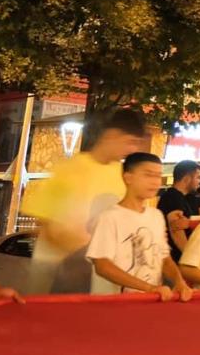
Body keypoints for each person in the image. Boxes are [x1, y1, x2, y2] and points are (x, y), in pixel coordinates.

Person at [22, 107, 147, 294]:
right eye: (130, 142)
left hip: (99, 278)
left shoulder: (122, 177)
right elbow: (44, 223)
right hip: (57, 276)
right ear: (111, 135)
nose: (133, 149)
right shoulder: (70, 170)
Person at [86, 153, 193, 301]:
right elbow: (102, 266)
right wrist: (149, 288)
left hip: (150, 302)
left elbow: (164, 258)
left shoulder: (156, 216)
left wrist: (179, 282)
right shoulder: (110, 217)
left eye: (158, 176)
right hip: (115, 304)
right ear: (128, 177)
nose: (155, 182)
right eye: (148, 175)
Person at [157, 159, 200, 262]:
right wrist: (190, 257)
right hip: (176, 260)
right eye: (197, 177)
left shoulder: (183, 198)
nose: (199, 181)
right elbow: (177, 231)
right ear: (187, 179)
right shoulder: (173, 197)